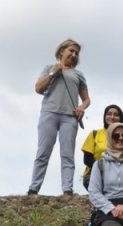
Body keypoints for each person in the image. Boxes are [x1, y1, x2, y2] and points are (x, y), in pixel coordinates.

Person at [29, 39, 91, 196]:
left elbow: (86, 99)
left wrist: (81, 108)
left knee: (67, 154)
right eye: (71, 50)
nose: (74, 54)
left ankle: (67, 190)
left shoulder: (78, 74)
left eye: (76, 53)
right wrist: (52, 74)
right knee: (43, 152)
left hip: (69, 117)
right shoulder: (49, 68)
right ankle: (33, 189)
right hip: (49, 113)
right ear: (62, 51)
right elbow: (38, 88)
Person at [80, 105, 123, 191]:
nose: (112, 117)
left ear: (121, 118)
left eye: (116, 115)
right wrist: (104, 170)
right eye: (109, 114)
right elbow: (87, 159)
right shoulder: (95, 134)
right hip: (95, 175)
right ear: (104, 116)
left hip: (119, 176)